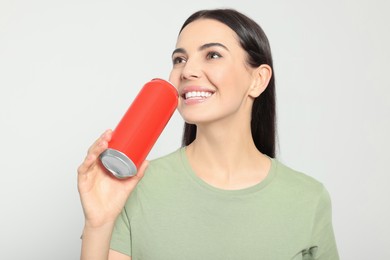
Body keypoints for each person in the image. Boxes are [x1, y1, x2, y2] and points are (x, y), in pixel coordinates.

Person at [77, 8, 339, 260]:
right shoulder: (133, 187)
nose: (188, 71)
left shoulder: (308, 199)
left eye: (212, 55)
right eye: (180, 59)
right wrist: (98, 224)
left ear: (258, 79)